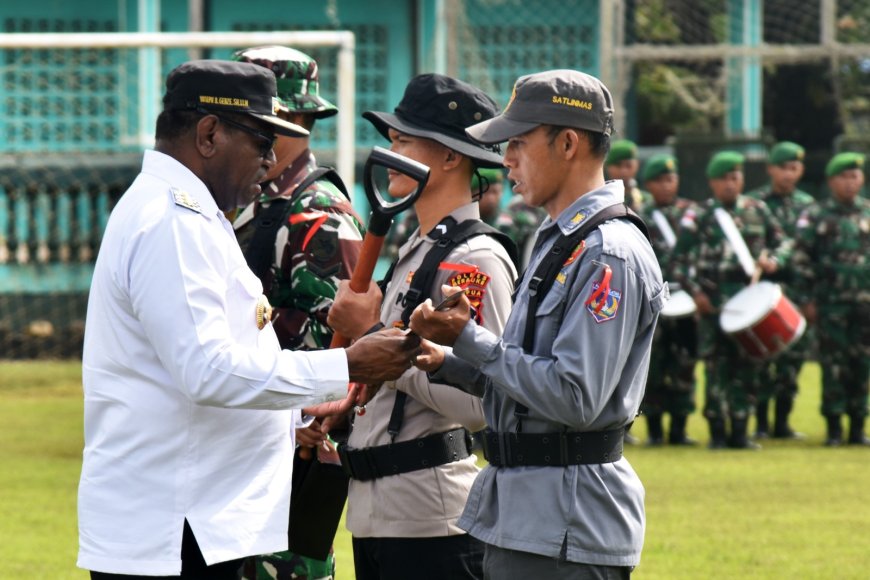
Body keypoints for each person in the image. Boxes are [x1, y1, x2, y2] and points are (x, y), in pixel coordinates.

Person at [76, 59, 420, 579]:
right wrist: (345, 364)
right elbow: (209, 371)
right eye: (261, 141)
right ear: (209, 134)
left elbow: (219, 361)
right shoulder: (173, 221)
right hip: (176, 529)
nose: (269, 160)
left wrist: (300, 411)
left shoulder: (192, 214)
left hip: (194, 518)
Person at [408, 69, 665, 578]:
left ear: (568, 143)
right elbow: (528, 376)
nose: (504, 160)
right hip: (528, 515)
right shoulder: (558, 238)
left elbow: (575, 396)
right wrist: (449, 361)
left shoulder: (606, 253)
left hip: (566, 524)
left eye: (518, 144)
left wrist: (471, 338)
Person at [326, 73, 517, 580]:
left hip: (433, 523)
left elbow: (482, 404)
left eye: (405, 138)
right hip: (377, 515)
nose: (391, 145)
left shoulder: (473, 259)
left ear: (452, 156)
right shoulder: (418, 249)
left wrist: (373, 337)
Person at [231, 46, 363, 580]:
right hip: (247, 446)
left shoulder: (318, 214)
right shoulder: (256, 202)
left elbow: (351, 340)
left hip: (295, 458)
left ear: (281, 119)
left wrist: (314, 417)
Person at [671, 151, 791, 450]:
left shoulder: (757, 210)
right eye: (723, 178)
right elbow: (678, 261)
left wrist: (774, 260)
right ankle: (717, 432)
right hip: (712, 305)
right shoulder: (699, 215)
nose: (730, 184)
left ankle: (740, 430)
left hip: (750, 304)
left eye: (735, 177)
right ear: (712, 182)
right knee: (716, 369)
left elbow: (784, 242)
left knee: (748, 368)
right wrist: (696, 293)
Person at [793, 152, 869, 446]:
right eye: (844, 177)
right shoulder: (817, 215)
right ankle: (835, 426)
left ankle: (858, 425)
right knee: (834, 365)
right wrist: (807, 299)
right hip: (830, 304)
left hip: (864, 305)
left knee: (862, 365)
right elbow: (801, 260)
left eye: (855, 176)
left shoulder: (867, 212)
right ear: (831, 181)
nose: (851, 183)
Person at [747, 141, 815, 439]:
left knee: (791, 362)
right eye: (783, 168)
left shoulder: (809, 206)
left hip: (796, 292)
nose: (789, 174)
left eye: (795, 168)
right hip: (762, 294)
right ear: (770, 169)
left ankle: (782, 422)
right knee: (761, 360)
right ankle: (760, 423)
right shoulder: (754, 204)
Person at [637, 154, 699, 445]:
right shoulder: (640, 217)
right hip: (654, 302)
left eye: (671, 179)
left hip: (686, 300)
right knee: (654, 365)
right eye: (660, 181)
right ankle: (655, 431)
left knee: (684, 363)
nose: (666, 185)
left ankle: (680, 429)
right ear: (649, 185)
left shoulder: (693, 214)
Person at [606, 138, 647, 212]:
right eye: (618, 165)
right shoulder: (602, 199)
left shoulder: (646, 200)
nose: (624, 171)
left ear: (637, 166)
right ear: (608, 167)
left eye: (628, 166)